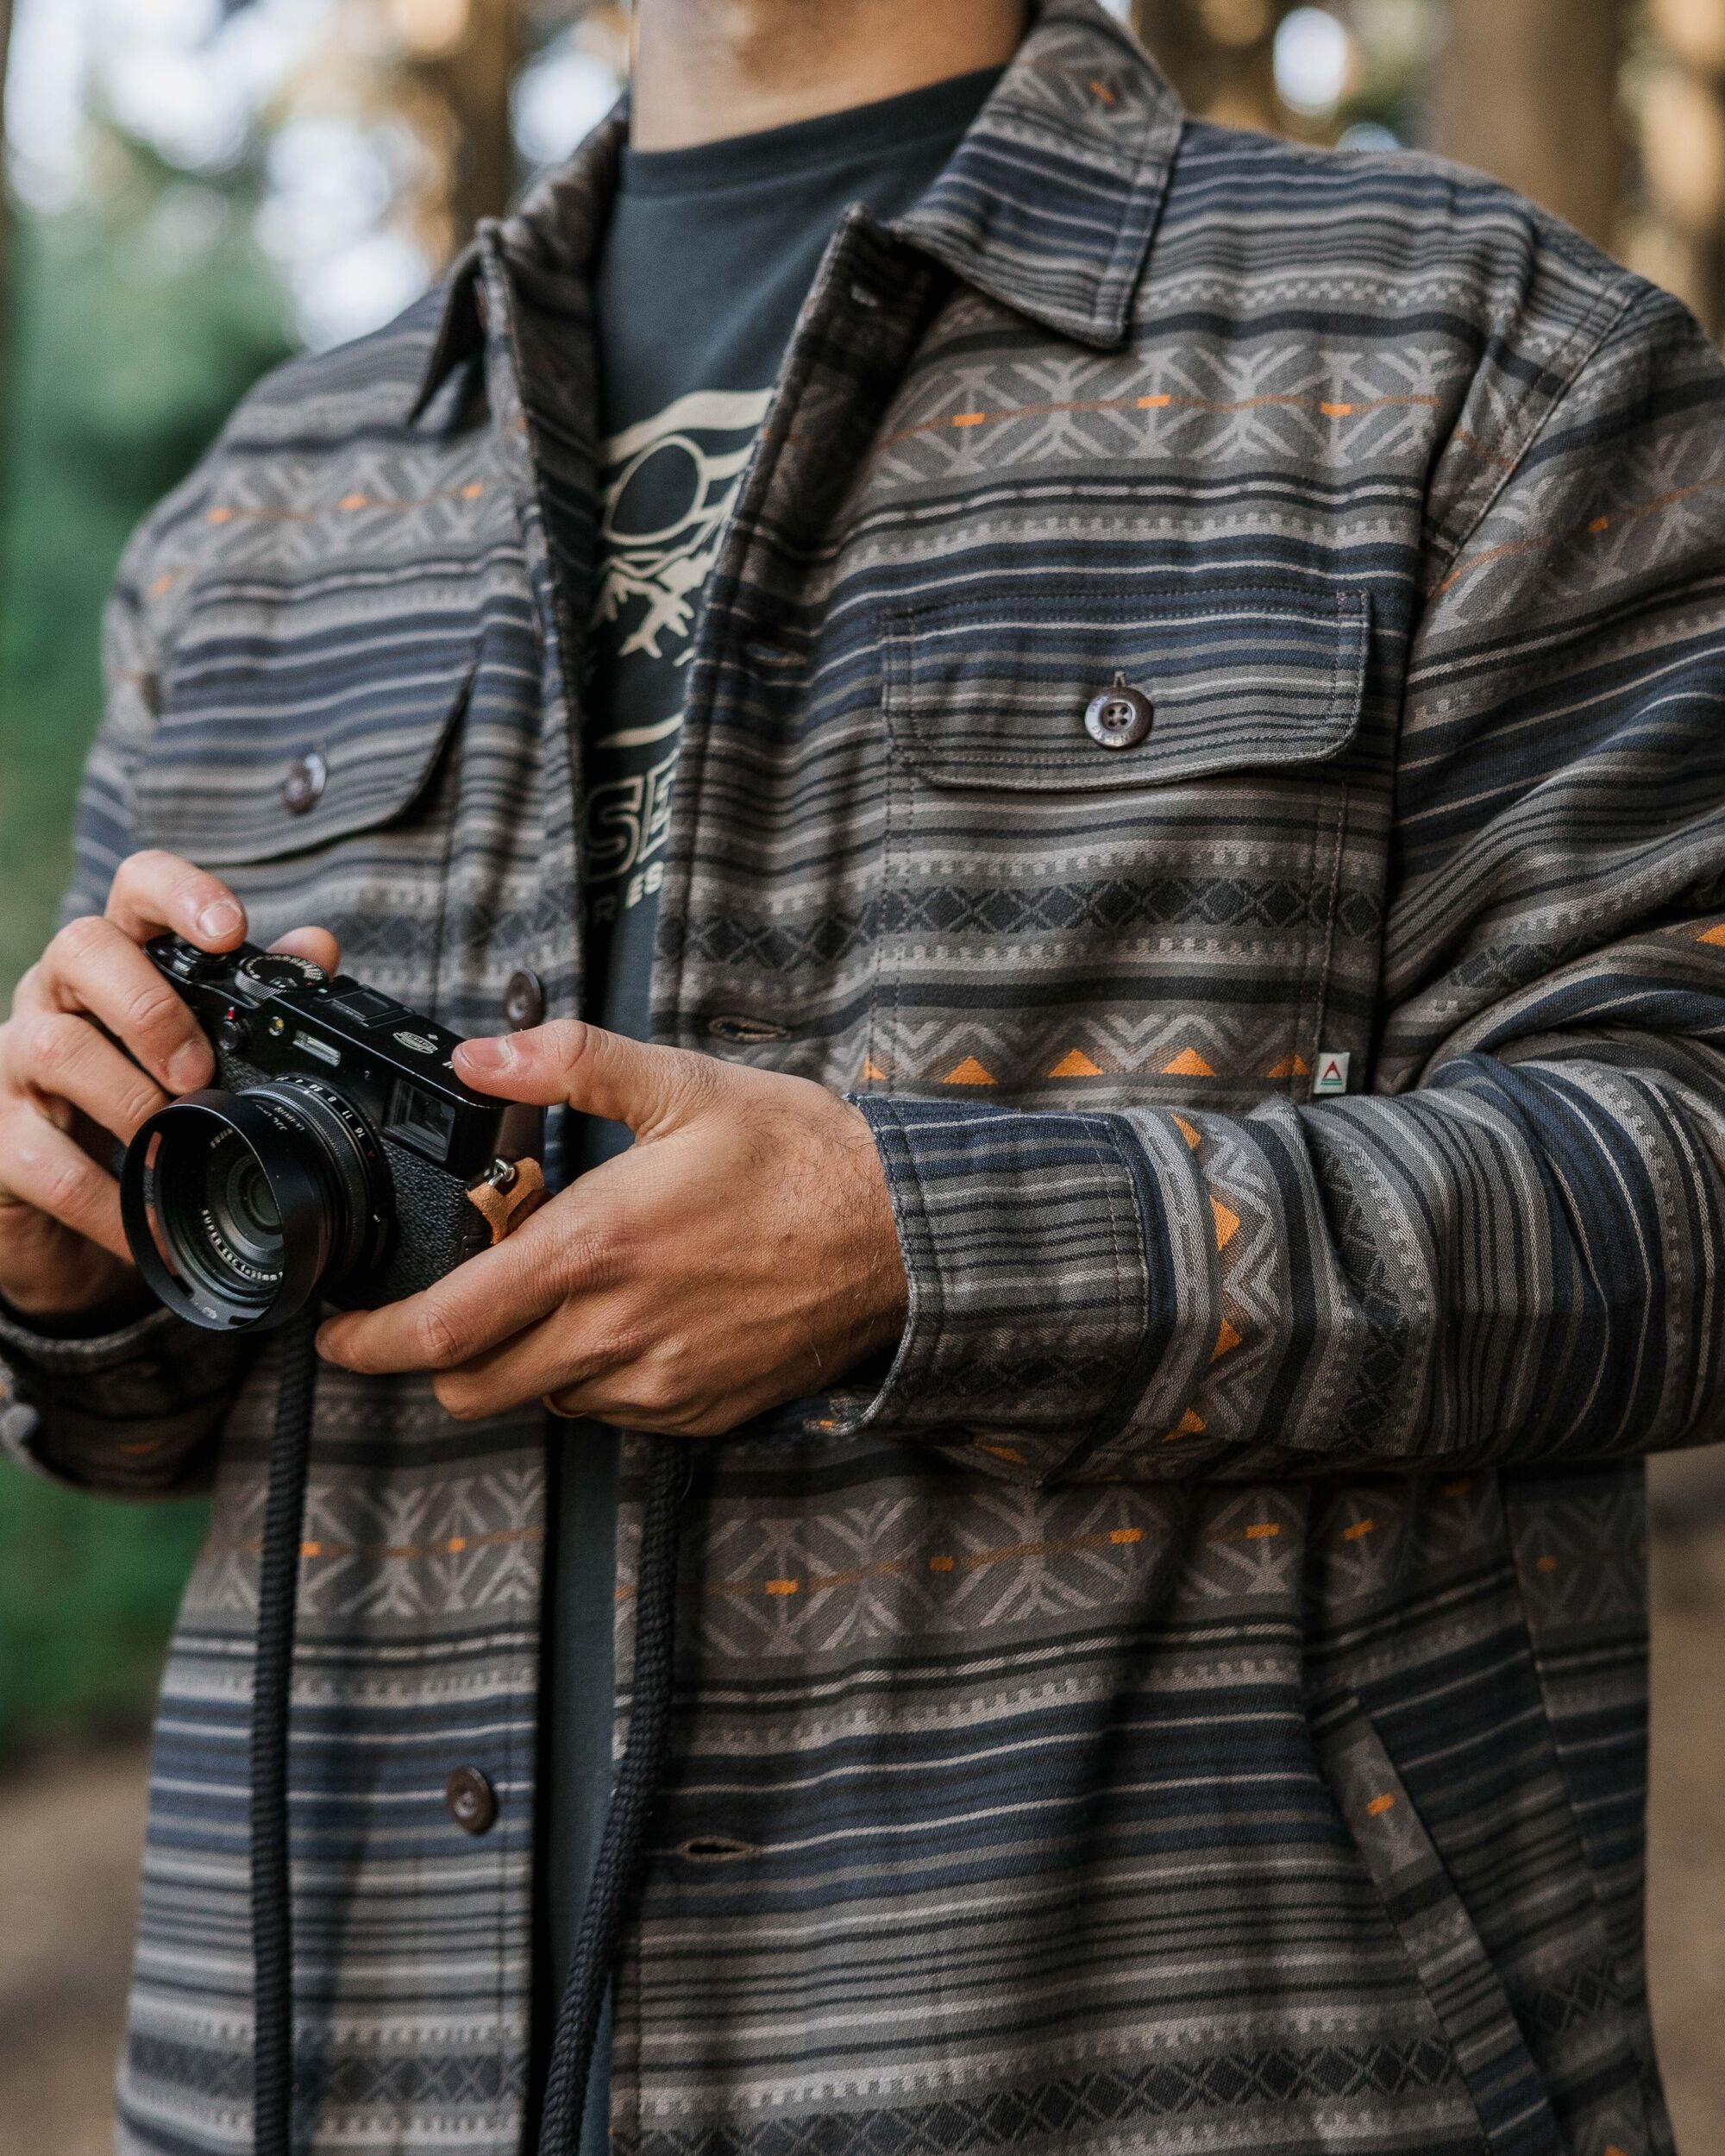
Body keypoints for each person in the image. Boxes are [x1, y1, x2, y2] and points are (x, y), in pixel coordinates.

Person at [3, 0, 1723, 2147]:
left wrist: (923, 1249)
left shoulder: (1484, 355)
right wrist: (63, 1253)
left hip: (1176, 2076)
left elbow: (1690, 1178)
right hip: (318, 2065)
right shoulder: (257, 509)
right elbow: (144, 1413)